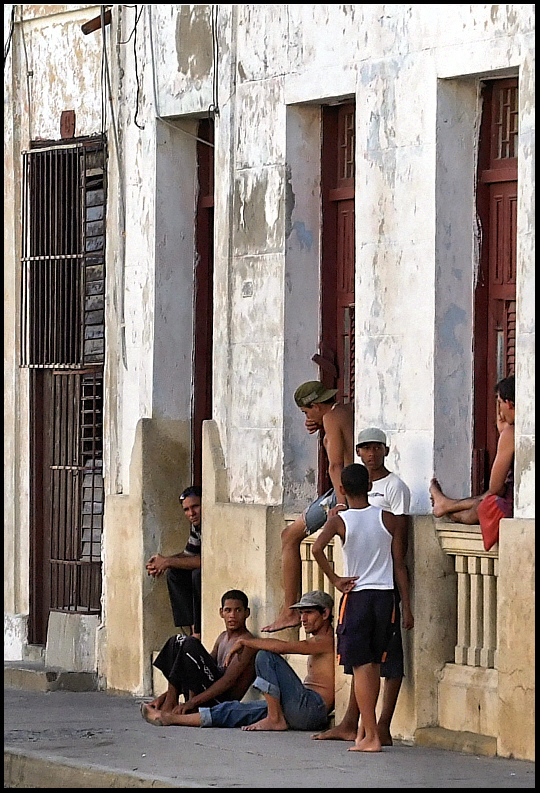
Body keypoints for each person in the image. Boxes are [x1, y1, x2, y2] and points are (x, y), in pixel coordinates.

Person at [313, 427, 413, 746]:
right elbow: (400, 564)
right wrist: (407, 607)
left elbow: (316, 548)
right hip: (385, 598)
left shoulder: (339, 519)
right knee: (375, 665)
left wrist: (335, 579)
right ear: (370, 486)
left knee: (361, 667)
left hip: (356, 597)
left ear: (342, 488)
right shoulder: (390, 519)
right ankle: (366, 732)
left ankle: (368, 734)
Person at [141, 590, 335, 733]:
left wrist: (246, 641)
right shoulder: (222, 638)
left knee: (265, 655)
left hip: (312, 708)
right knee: (233, 710)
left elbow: (282, 647)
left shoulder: (326, 641)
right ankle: (170, 718)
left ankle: (275, 719)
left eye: (308, 613)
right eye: (301, 613)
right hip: (298, 708)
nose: (303, 619)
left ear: (325, 614)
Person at [263, 381, 354, 632]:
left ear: (315, 405)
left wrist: (342, 503)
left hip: (342, 491)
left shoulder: (333, 417)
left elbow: (335, 466)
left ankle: (289, 610)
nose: (307, 419)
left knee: (289, 537)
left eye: (306, 413)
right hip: (352, 485)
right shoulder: (346, 410)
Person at [141, 589, 256, 722]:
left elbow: (227, 682)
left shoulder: (246, 643)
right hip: (207, 690)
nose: (232, 615)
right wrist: (163, 697)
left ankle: (176, 706)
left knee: (190, 643)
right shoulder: (222, 637)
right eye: (228, 610)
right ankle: (169, 702)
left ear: (247, 613)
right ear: (221, 612)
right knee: (177, 641)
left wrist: (192, 703)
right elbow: (199, 664)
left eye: (238, 610)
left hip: (221, 700)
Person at [429, 375, 515, 551]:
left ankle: (447, 506)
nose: (499, 412)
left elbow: (495, 486)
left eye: (499, 403)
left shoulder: (512, 434)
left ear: (509, 404)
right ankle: (446, 504)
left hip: (511, 508)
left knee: (484, 504)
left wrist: (503, 434)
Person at [146, 485, 202, 638]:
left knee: (197, 574)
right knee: (174, 573)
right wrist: (162, 562)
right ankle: (191, 628)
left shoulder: (211, 522)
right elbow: (189, 554)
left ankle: (198, 631)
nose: (191, 513)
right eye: (186, 510)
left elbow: (206, 561)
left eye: (195, 506)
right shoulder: (196, 526)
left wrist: (168, 561)